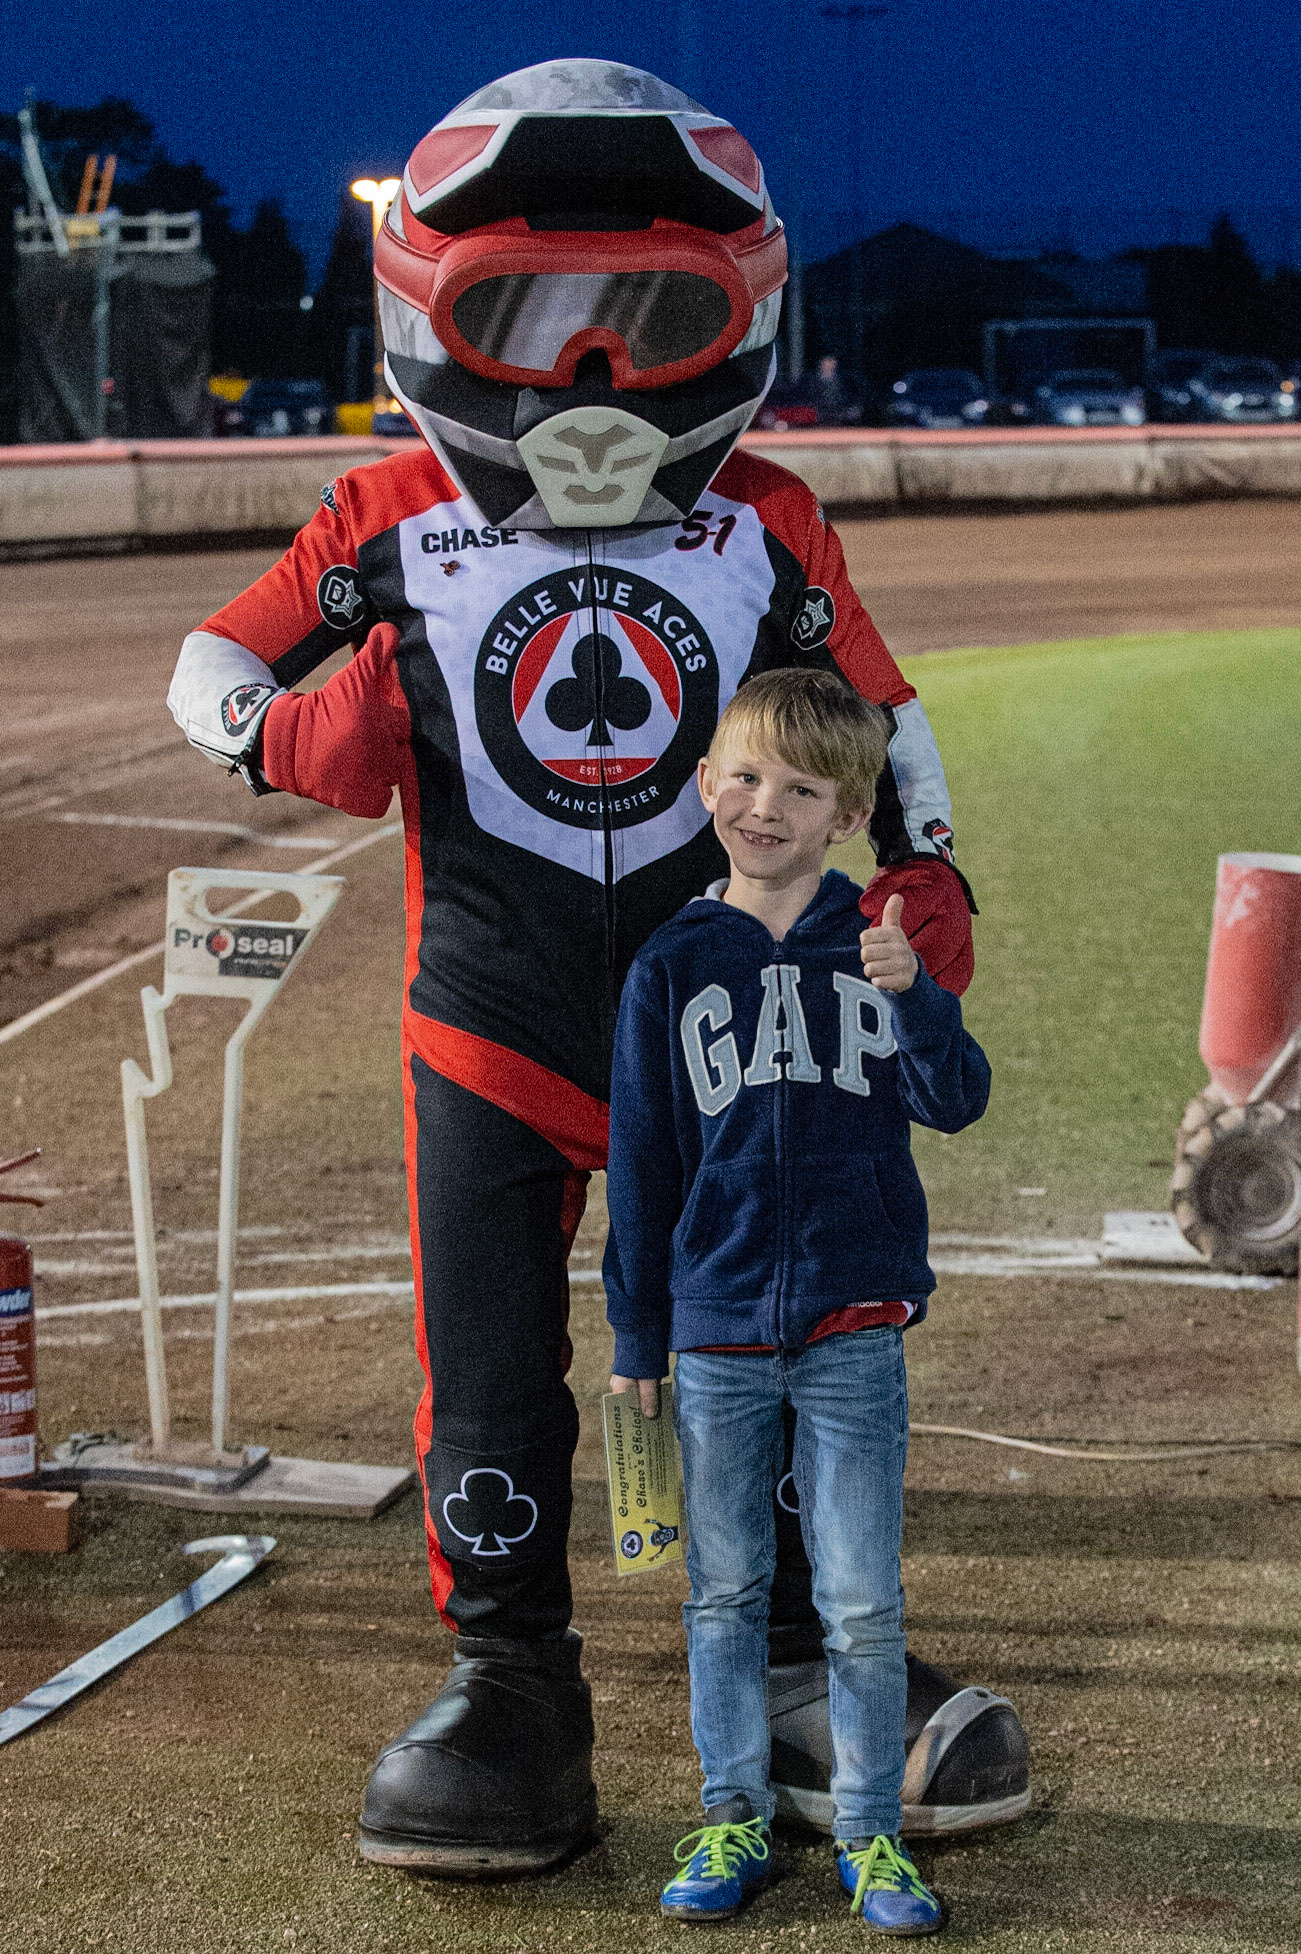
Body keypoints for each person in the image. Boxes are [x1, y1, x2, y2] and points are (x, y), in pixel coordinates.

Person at [166, 60, 994, 1876]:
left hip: (734, 1012)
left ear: (737, 308)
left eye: (649, 309)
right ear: (436, 314)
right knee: (493, 1370)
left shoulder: (768, 518)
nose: (598, 373)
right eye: (536, 316)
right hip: (492, 1012)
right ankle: (512, 1680)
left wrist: (921, 870)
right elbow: (210, 670)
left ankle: (793, 1664)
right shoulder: (384, 515)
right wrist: (291, 738)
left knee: (772, 1318)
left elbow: (878, 711)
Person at [604, 669, 990, 1930]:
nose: (766, 805)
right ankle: (731, 1817)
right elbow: (644, 1160)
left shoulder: (869, 945)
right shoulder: (670, 961)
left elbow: (956, 1097)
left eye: (802, 789)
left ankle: (871, 1836)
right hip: (713, 1328)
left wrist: (912, 998)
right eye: (748, 776)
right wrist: (634, 1333)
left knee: (860, 1598)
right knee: (718, 1588)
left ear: (845, 815)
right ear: (707, 783)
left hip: (852, 1325)